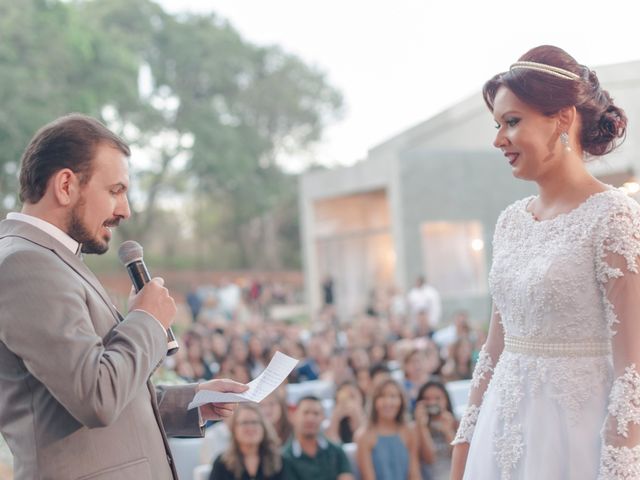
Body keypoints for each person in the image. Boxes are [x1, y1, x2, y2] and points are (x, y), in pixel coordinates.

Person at [0, 114, 247, 480]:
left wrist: (190, 402)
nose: (125, 210)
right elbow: (96, 397)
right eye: (115, 190)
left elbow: (84, 397)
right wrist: (146, 319)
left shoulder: (55, 260)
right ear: (66, 184)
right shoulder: (24, 264)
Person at [450, 45, 635, 479]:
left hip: (575, 439)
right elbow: (493, 350)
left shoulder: (614, 217)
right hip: (501, 433)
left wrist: (621, 464)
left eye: (512, 122)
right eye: (497, 125)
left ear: (563, 119)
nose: (498, 139)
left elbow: (634, 367)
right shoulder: (510, 222)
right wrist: (465, 439)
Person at [355, 378, 421, 480]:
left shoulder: (409, 431)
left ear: (401, 401)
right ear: (374, 401)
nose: (388, 402)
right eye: (382, 396)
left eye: (393, 396)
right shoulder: (363, 436)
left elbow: (414, 474)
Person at [283, 395, 354, 480]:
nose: (311, 418)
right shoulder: (285, 458)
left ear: (323, 417)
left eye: (316, 413)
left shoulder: (337, 451)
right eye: (306, 412)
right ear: (293, 416)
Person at [209, 403, 286, 480]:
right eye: (244, 422)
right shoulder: (222, 463)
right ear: (234, 428)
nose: (250, 427)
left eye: (254, 422)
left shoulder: (279, 460)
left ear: (263, 427)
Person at [413, 381, 457, 480]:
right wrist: (422, 427)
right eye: (427, 399)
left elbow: (459, 458)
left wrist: (448, 431)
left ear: (446, 399)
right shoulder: (415, 428)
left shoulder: (457, 423)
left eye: (437, 398)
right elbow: (430, 459)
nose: (432, 403)